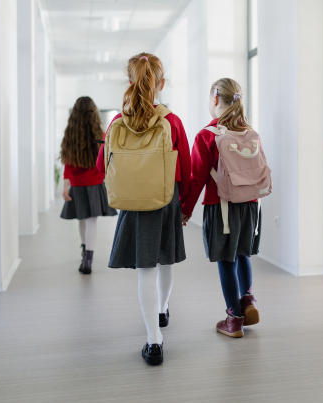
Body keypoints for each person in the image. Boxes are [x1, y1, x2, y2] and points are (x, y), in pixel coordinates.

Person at [96, 53, 191, 365]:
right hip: (166, 200)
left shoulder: (116, 123)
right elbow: (186, 170)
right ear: (160, 84)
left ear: (130, 82)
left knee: (145, 271)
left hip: (135, 205)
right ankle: (162, 310)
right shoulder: (172, 122)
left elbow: (101, 167)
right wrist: (185, 205)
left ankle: (153, 342)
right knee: (165, 262)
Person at [181, 78, 262, 338]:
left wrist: (186, 209)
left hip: (222, 207)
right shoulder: (249, 131)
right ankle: (247, 299)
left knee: (226, 261)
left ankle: (233, 319)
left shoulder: (207, 135)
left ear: (215, 99)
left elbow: (196, 179)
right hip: (249, 206)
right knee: (242, 255)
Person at [60, 96, 118, 275]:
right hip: (95, 184)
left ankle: (84, 253)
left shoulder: (71, 135)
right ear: (94, 114)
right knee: (92, 221)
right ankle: (88, 260)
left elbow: (68, 163)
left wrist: (65, 185)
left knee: (82, 219)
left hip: (77, 185)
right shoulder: (100, 135)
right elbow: (106, 162)